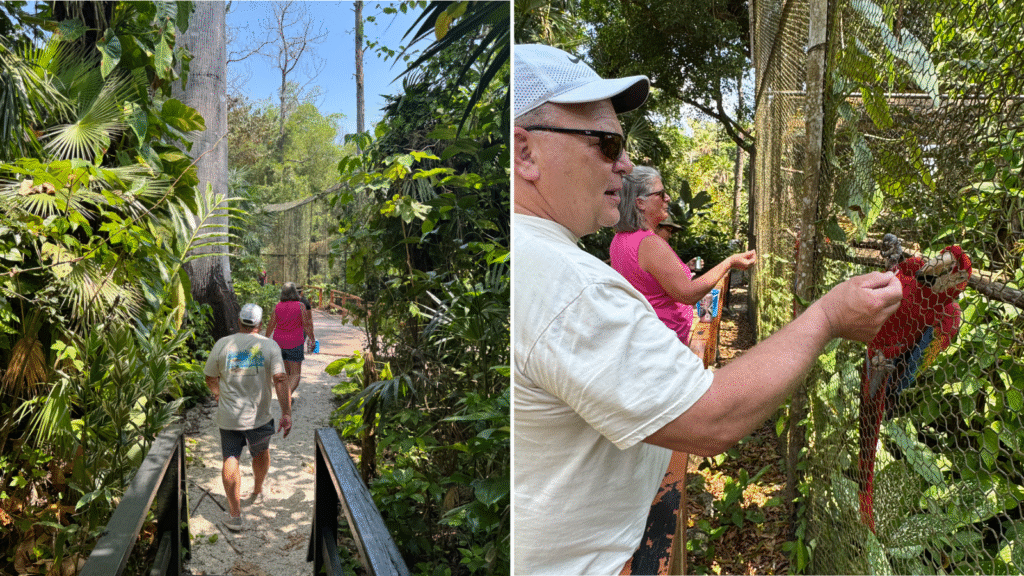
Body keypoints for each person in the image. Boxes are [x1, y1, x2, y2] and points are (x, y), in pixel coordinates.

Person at [512, 43, 903, 574]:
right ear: (525, 152)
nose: (624, 164)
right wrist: (828, 316)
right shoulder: (570, 284)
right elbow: (709, 413)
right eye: (606, 144)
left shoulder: (564, 255)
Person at [610, 166, 757, 345]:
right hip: (665, 343)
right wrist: (729, 262)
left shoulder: (619, 239)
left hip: (646, 337)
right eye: (660, 194)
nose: (667, 198)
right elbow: (688, 294)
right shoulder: (649, 243)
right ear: (640, 203)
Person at [204, 303, 291, 531]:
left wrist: (217, 393)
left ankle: (235, 515)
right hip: (259, 417)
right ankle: (258, 490)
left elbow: (210, 377)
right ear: (260, 324)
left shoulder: (222, 344)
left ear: (238, 321)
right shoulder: (269, 346)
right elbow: (280, 379)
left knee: (230, 457)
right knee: (261, 452)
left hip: (229, 417)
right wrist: (286, 413)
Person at [264, 282, 316, 400]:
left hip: (279, 343)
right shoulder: (300, 306)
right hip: (295, 343)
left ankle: (287, 398)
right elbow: (306, 324)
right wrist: (312, 338)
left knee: (287, 374)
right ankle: (286, 397)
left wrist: (266, 338)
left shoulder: (278, 306)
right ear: (295, 293)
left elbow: (271, 324)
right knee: (296, 374)